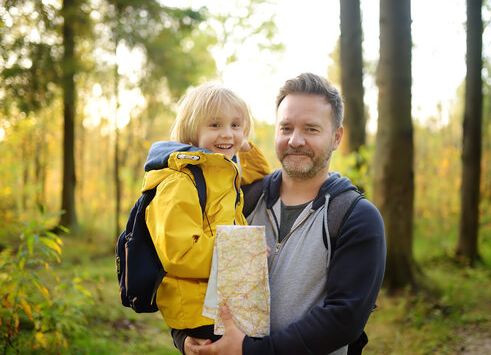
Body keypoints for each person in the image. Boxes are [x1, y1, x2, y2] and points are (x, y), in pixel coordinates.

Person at [186, 73, 386, 355]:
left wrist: (251, 351)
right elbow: (190, 274)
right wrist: (185, 337)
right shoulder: (240, 200)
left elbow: (344, 319)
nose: (295, 140)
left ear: (336, 137)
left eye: (311, 129)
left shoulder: (356, 217)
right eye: (286, 127)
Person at [139, 83, 270, 351]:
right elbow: (180, 253)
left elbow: (261, 173)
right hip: (201, 313)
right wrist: (242, 251)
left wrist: (239, 140)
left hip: (219, 302)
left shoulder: (220, 171)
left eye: (236, 125)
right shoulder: (180, 180)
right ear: (191, 131)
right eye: (214, 125)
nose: (227, 134)